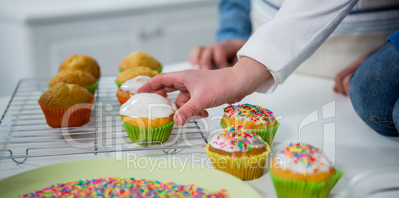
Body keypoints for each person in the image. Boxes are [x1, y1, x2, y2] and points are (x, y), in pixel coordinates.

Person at [139, 0, 399, 136]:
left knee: (377, 91)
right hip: (262, 58)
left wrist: (391, 47)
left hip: (357, 53)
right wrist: (236, 35)